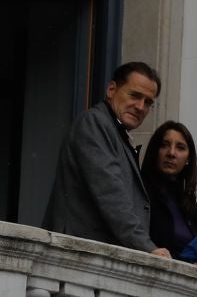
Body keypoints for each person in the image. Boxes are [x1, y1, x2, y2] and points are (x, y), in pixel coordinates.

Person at [41, 62, 169, 256]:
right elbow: (111, 196)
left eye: (148, 102)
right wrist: (148, 248)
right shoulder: (95, 123)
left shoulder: (116, 133)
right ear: (111, 89)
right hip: (78, 259)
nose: (141, 107)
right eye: (134, 95)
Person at [142, 121, 197, 256]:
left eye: (180, 147)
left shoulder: (190, 206)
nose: (171, 153)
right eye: (164, 145)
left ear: (188, 159)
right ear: (155, 151)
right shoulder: (140, 191)